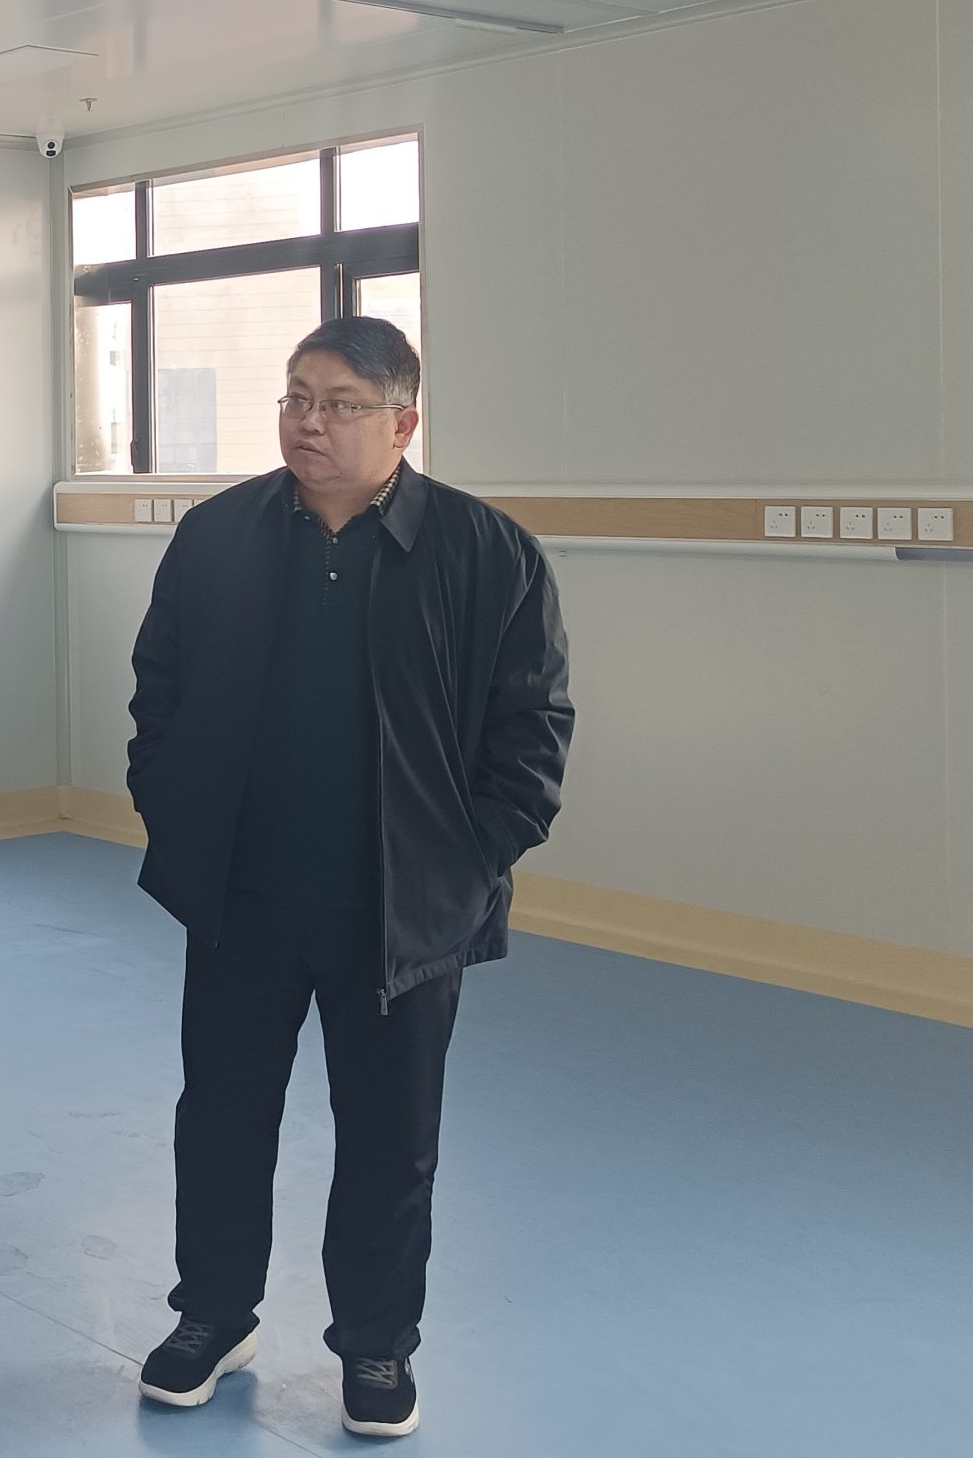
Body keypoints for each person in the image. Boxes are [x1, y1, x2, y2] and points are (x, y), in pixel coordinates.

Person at [125, 318, 573, 1439]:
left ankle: (377, 1345)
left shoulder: (487, 552)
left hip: (400, 913)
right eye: (294, 398)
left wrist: (470, 858)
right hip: (242, 897)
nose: (307, 423)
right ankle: (213, 1314)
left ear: (402, 422)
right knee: (221, 1118)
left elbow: (532, 729)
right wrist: (171, 804)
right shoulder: (219, 535)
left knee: (389, 1140)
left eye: (337, 404)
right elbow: (159, 685)